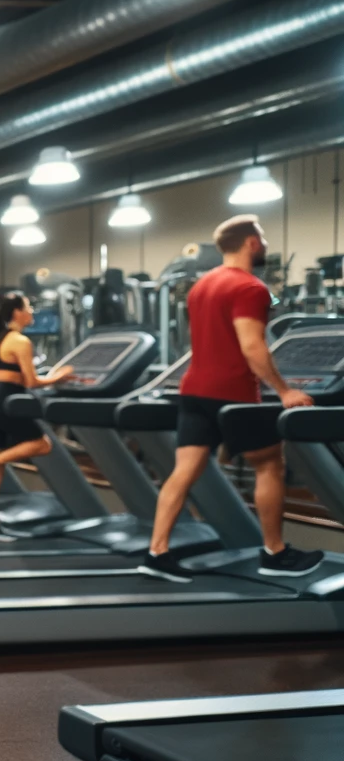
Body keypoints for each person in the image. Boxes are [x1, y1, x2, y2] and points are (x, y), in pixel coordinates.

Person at [141, 215, 323, 580]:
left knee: (184, 471)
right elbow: (252, 346)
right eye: (263, 239)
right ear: (252, 243)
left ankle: (157, 552)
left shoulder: (200, 287)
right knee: (269, 464)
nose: (266, 245)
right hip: (231, 394)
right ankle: (275, 553)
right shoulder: (250, 288)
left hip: (193, 390)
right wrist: (284, 391)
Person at [0, 293, 74, 537]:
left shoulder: (1, 339)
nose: (32, 312)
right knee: (42, 444)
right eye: (28, 307)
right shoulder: (20, 341)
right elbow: (31, 382)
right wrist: (58, 378)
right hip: (4, 402)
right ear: (17, 313)